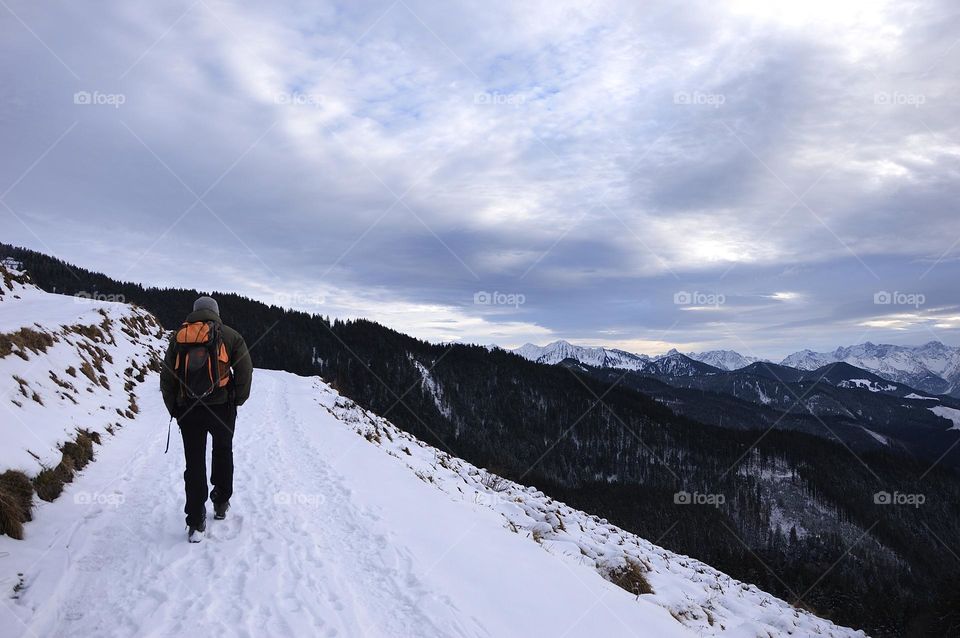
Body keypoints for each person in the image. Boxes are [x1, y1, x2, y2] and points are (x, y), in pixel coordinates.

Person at [160, 295, 252, 542]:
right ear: (216, 312)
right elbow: (245, 369)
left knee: (194, 461)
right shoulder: (230, 336)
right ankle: (221, 503)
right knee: (223, 452)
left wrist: (175, 409)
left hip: (189, 410)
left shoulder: (179, 336)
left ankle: (195, 520)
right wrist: (237, 400)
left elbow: (167, 376)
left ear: (194, 312)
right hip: (222, 408)